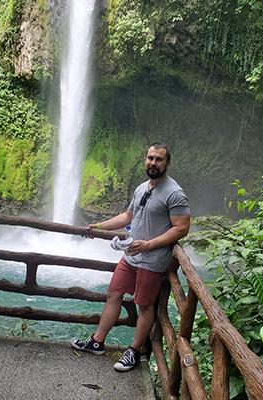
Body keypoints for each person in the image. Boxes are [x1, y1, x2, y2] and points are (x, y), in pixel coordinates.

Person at [71, 142, 190, 371]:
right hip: (131, 257)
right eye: (150, 158)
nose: (153, 163)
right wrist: (98, 226)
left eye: (158, 159)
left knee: (145, 306)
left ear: (168, 163)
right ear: (145, 159)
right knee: (113, 294)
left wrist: (149, 244)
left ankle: (133, 351)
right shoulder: (141, 188)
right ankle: (97, 341)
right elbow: (127, 216)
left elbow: (181, 228)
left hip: (152, 260)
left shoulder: (175, 193)